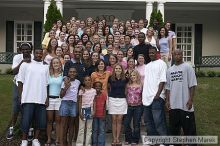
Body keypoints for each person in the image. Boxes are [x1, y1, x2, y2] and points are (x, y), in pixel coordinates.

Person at [17, 48, 49, 146]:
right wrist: (20, 96)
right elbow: (20, 81)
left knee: (40, 121)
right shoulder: (25, 64)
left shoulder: (46, 66)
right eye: (37, 53)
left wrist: (47, 98)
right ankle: (24, 140)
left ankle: (35, 139)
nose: (39, 55)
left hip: (41, 98)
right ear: (33, 54)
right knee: (26, 120)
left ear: (42, 54)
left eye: (40, 53)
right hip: (28, 97)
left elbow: (47, 84)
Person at [166, 49, 197, 146]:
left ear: (182, 55)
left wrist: (191, 99)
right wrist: (167, 101)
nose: (177, 56)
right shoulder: (170, 70)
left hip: (185, 104)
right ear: (173, 56)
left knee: (189, 129)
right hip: (173, 105)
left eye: (179, 54)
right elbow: (168, 88)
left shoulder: (188, 67)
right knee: (174, 129)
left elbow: (192, 85)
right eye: (175, 54)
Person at [6, 43, 33, 140]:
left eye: (27, 49)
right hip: (17, 84)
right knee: (16, 106)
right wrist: (22, 62)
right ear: (20, 50)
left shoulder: (33, 58)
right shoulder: (17, 57)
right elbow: (13, 72)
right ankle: (12, 128)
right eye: (23, 49)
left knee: (29, 106)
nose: (25, 51)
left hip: (29, 86)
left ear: (31, 50)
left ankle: (30, 128)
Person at [142, 46, 168, 143]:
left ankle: (164, 142)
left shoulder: (162, 64)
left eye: (153, 53)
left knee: (159, 121)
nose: (151, 54)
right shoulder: (147, 65)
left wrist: (158, 94)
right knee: (148, 122)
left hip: (157, 97)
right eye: (149, 53)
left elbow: (162, 80)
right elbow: (147, 82)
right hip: (146, 98)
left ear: (156, 53)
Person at [59, 67, 81, 146]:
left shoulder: (78, 82)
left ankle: (70, 143)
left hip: (74, 104)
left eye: (74, 72)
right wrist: (66, 87)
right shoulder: (65, 81)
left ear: (76, 74)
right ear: (68, 73)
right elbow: (61, 95)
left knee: (71, 124)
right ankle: (62, 142)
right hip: (65, 103)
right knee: (64, 124)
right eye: (70, 72)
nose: (72, 73)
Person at [108, 64, 128, 146]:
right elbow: (107, 88)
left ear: (122, 70)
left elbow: (127, 89)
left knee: (119, 120)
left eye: (119, 68)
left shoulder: (125, 79)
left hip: (122, 100)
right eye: (116, 68)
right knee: (114, 120)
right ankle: (114, 139)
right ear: (114, 69)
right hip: (112, 100)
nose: (118, 69)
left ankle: (118, 139)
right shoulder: (110, 79)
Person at [45, 57, 63, 146]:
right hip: (50, 99)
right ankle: (48, 138)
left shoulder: (62, 75)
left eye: (57, 63)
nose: (56, 64)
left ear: (60, 64)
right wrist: (47, 98)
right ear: (52, 64)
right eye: (54, 63)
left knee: (58, 120)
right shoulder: (49, 74)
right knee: (49, 120)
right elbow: (46, 87)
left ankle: (57, 139)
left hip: (59, 99)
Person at [76, 76, 97, 146]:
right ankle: (79, 144)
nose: (87, 81)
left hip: (90, 110)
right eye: (86, 80)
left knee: (89, 128)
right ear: (84, 82)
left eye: (89, 80)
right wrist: (80, 112)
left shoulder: (94, 91)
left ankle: (88, 143)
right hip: (83, 110)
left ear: (91, 81)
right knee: (81, 128)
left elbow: (94, 102)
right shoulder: (81, 90)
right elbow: (79, 102)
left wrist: (94, 111)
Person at [124, 70, 143, 146]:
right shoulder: (127, 85)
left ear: (137, 76)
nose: (132, 77)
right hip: (129, 107)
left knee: (136, 124)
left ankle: (135, 139)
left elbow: (143, 95)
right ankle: (128, 139)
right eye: (131, 76)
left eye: (134, 75)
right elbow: (125, 94)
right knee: (126, 123)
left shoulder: (141, 84)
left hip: (138, 107)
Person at [92, 81, 107, 146]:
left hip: (101, 115)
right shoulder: (92, 95)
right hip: (94, 115)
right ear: (94, 87)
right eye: (96, 86)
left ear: (101, 87)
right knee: (95, 130)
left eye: (99, 86)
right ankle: (94, 143)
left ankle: (101, 144)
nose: (97, 87)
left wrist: (104, 114)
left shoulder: (103, 94)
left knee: (102, 130)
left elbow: (105, 105)